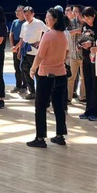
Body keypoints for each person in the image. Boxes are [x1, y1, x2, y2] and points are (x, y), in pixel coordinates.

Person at [27, 8, 69, 148]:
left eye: (48, 17)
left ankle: (40, 138)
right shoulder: (63, 35)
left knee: (40, 106)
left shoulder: (48, 35)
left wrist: (33, 69)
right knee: (58, 106)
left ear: (55, 20)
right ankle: (60, 135)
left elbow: (40, 55)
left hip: (46, 75)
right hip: (61, 74)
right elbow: (65, 53)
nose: (46, 19)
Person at [17, 6, 49, 100]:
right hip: (25, 51)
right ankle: (32, 91)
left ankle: (40, 92)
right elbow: (22, 38)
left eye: (28, 15)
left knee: (37, 73)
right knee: (25, 71)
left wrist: (40, 42)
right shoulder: (24, 24)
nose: (26, 17)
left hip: (35, 53)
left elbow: (48, 32)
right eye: (25, 15)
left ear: (32, 14)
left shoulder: (38, 23)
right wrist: (19, 50)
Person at [78, 6, 97, 121]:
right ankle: (89, 110)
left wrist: (92, 44)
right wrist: (80, 45)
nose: (86, 20)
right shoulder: (85, 26)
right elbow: (82, 38)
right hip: (86, 58)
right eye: (84, 18)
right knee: (88, 84)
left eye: (88, 18)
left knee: (96, 85)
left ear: (94, 16)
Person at [66, 5, 84, 104]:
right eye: (73, 11)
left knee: (84, 78)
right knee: (70, 77)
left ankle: (83, 96)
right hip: (73, 54)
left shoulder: (86, 23)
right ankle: (68, 97)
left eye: (76, 11)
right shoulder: (71, 22)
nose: (74, 13)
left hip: (85, 55)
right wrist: (77, 31)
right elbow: (66, 33)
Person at [9, 5, 26, 93]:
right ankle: (18, 85)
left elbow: (23, 38)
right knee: (16, 67)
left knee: (23, 67)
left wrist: (17, 47)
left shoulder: (26, 23)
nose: (17, 12)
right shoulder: (14, 22)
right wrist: (13, 46)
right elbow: (11, 34)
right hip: (15, 44)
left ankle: (24, 86)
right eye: (16, 11)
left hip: (23, 45)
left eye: (19, 11)